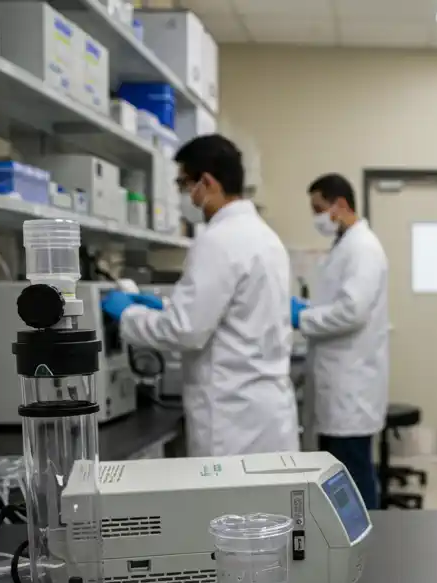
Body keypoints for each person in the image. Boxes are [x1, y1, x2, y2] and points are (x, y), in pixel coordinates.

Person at [102, 134, 297, 458]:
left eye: (183, 185)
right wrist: (165, 307)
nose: (185, 198)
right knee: (265, 507)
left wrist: (127, 317)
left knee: (231, 508)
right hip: (266, 411)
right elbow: (233, 313)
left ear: (206, 182)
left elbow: (185, 331)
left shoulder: (218, 240)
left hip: (231, 419)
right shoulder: (265, 237)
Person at [291, 173, 390, 509]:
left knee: (355, 475)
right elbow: (334, 302)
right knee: (343, 473)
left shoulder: (363, 247)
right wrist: (306, 309)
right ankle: (354, 543)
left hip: (351, 387)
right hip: (340, 383)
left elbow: (351, 311)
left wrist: (301, 318)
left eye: (319, 208)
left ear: (341, 205)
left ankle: (372, 545)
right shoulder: (345, 246)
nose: (317, 217)